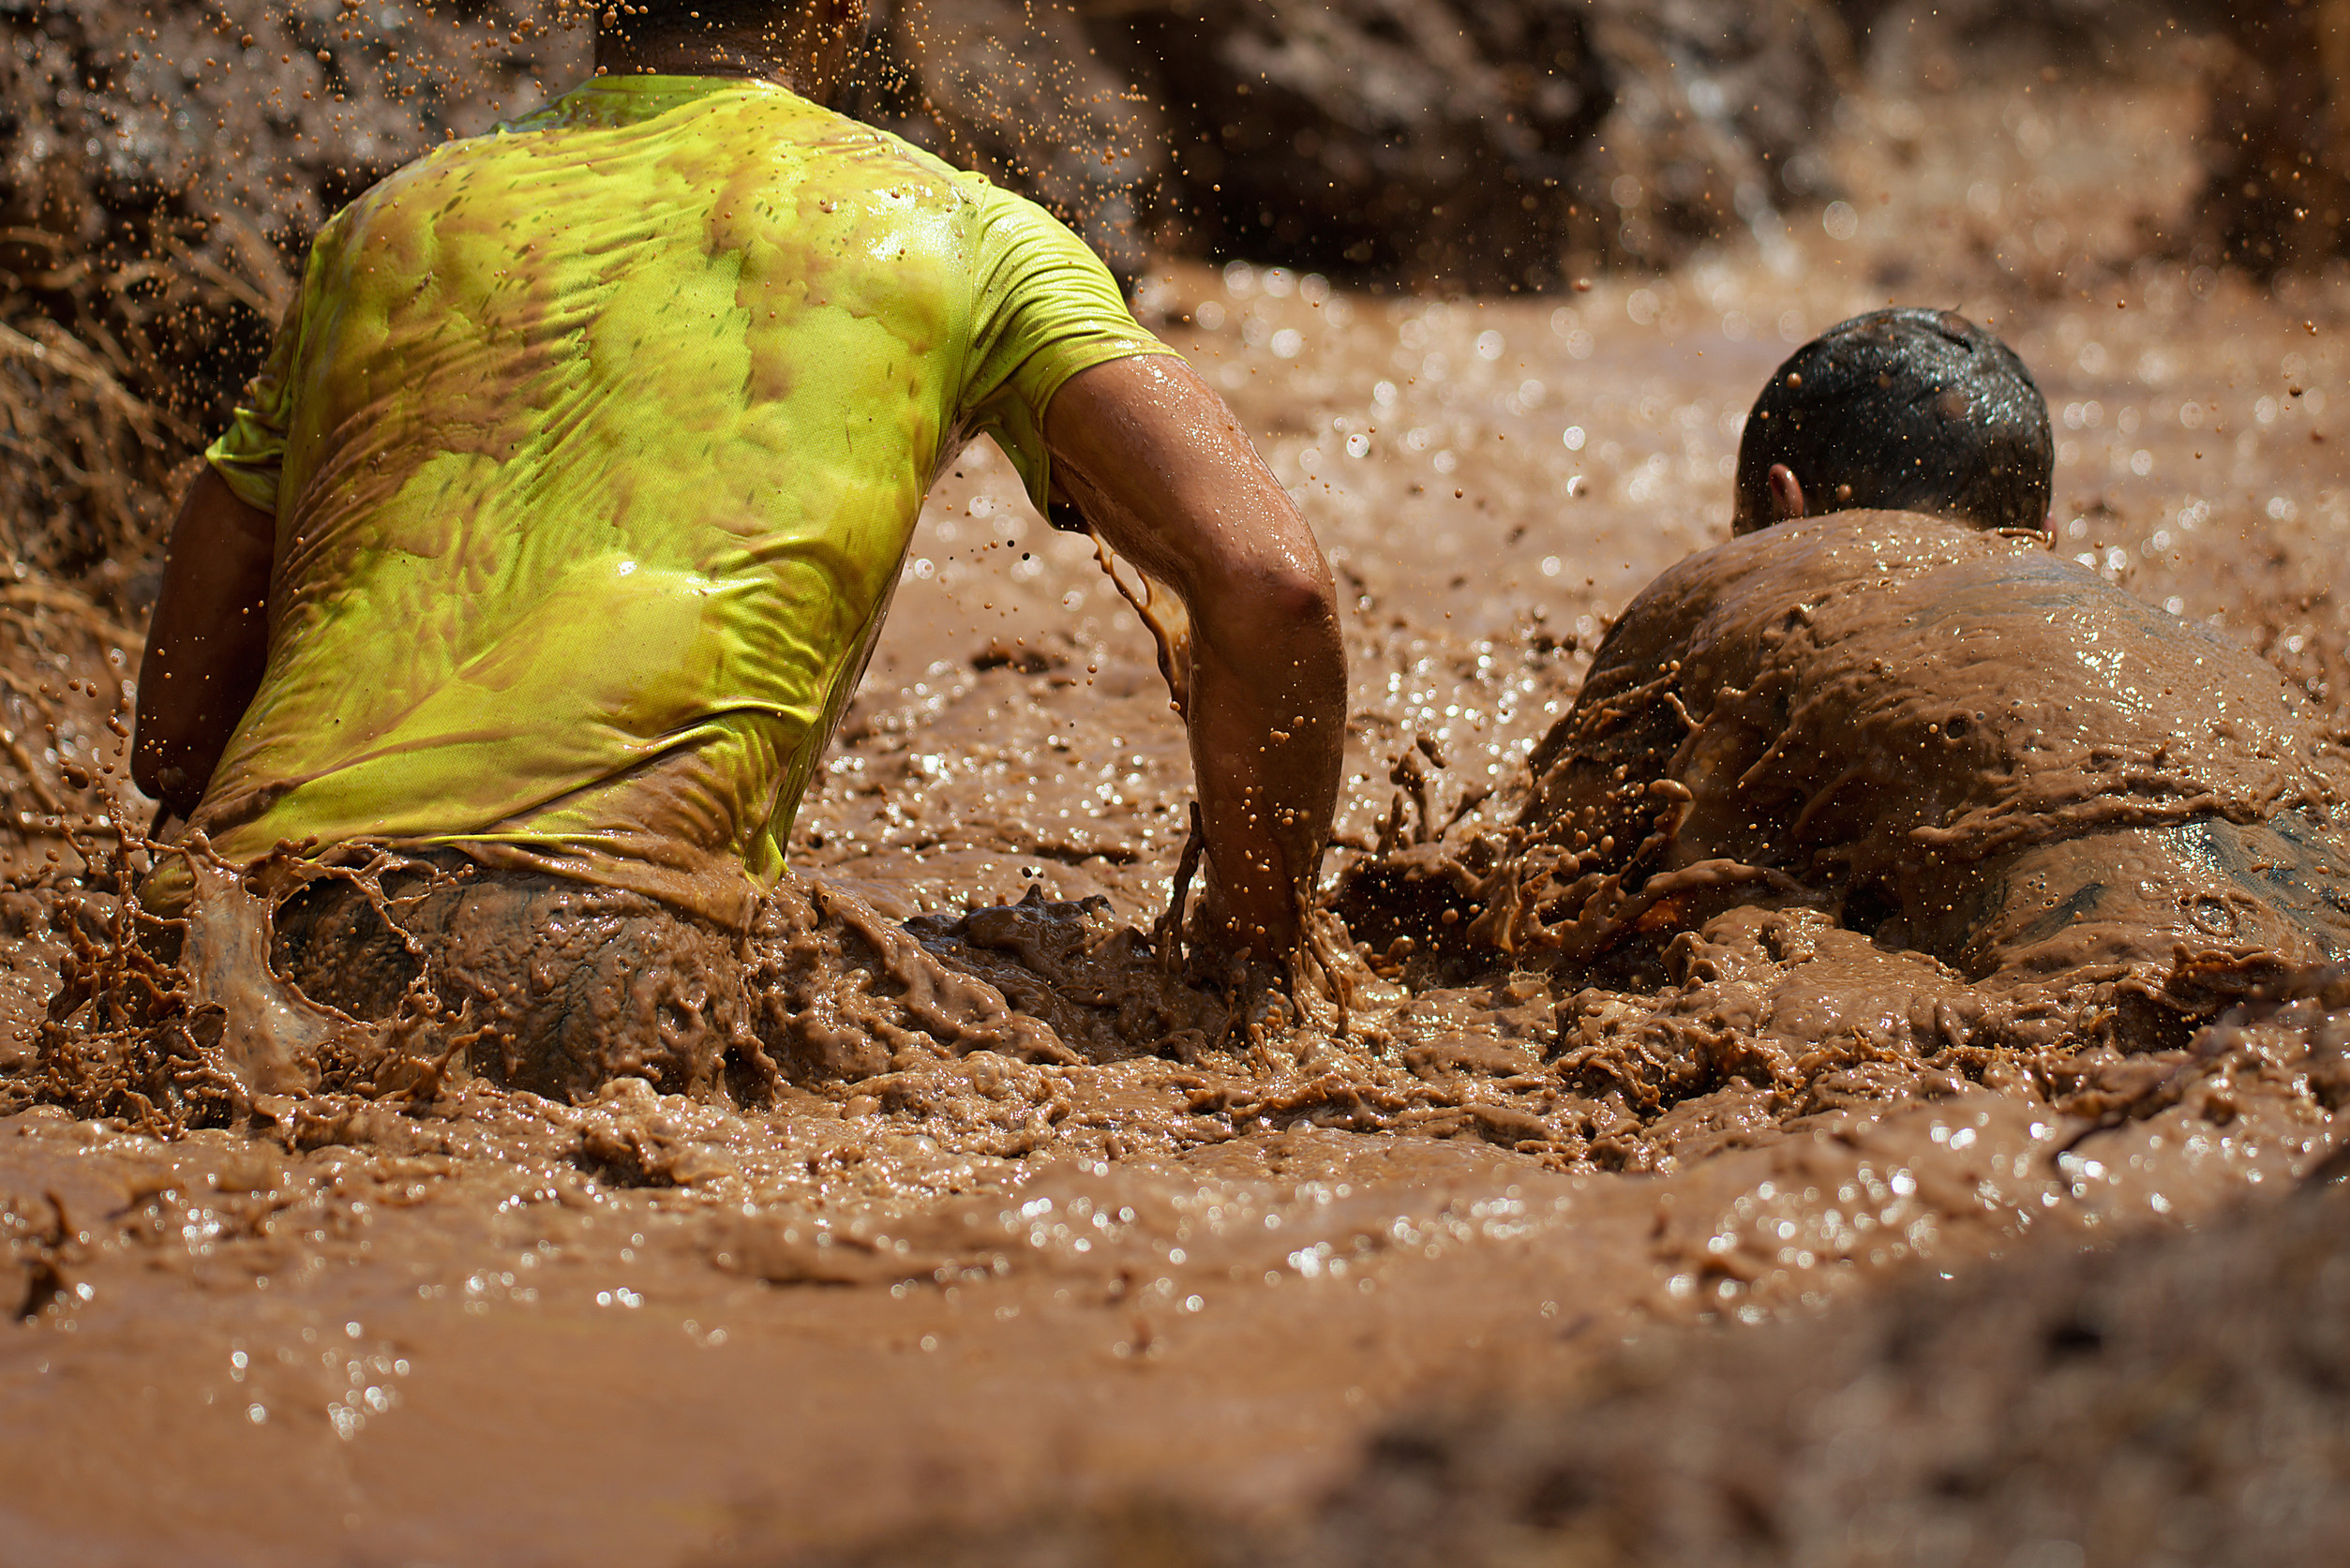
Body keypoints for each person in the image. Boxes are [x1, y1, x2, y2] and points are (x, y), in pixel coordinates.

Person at [129, 0, 1346, 1098]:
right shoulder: (967, 233)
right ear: (846, 9)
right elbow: (1269, 587)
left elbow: (177, 735)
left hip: (201, 956)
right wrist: (1246, 970)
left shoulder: (384, 225)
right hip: (579, 956)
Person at [1478, 308, 2350, 1022]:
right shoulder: (2213, 661)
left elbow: (1535, 911)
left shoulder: (1751, 583)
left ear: (1784, 512)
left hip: (2086, 1016)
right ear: (2045, 539)